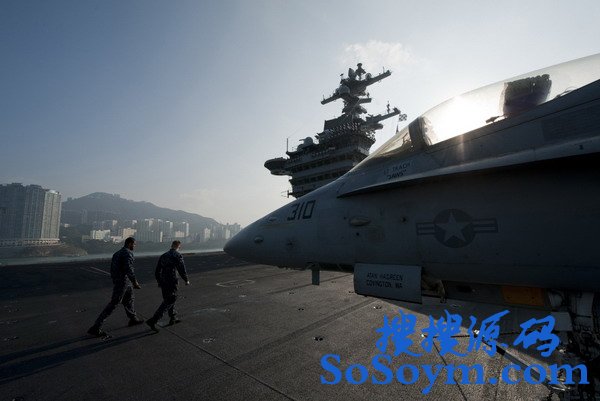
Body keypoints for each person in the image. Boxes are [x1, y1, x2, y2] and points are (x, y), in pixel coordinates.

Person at [87, 237, 144, 337]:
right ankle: (96, 327)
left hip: (122, 281)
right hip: (123, 282)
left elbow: (112, 269)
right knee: (114, 303)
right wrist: (135, 282)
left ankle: (133, 319)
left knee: (129, 299)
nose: (135, 246)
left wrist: (116, 279)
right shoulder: (128, 253)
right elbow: (129, 269)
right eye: (134, 244)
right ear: (130, 243)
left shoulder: (117, 253)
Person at [146, 240, 190, 332]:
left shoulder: (164, 255)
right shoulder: (177, 255)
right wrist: (186, 279)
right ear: (179, 246)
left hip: (163, 281)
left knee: (168, 298)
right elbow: (181, 269)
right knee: (171, 299)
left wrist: (159, 281)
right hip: (172, 281)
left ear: (172, 245)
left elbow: (157, 270)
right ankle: (154, 320)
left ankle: (173, 317)